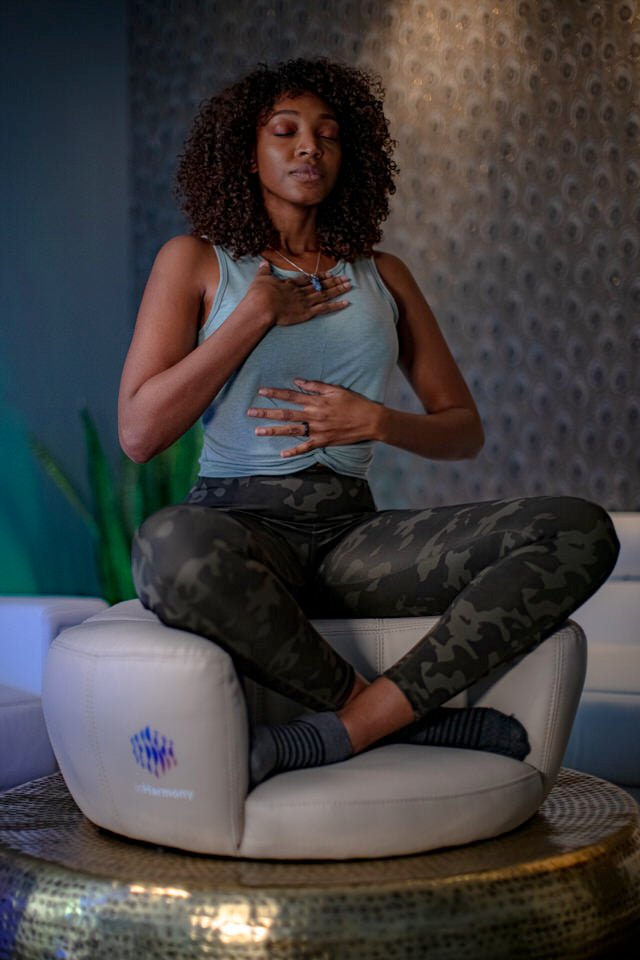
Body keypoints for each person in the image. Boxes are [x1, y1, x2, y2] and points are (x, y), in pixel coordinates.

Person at [119, 58, 619, 788]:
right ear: (246, 153)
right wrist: (254, 316)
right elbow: (139, 434)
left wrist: (378, 420)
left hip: (351, 536)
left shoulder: (382, 273)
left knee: (578, 529)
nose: (309, 147)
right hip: (240, 524)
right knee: (168, 548)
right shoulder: (195, 261)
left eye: (328, 134)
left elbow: (463, 430)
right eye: (285, 131)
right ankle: (404, 720)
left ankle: (351, 728)